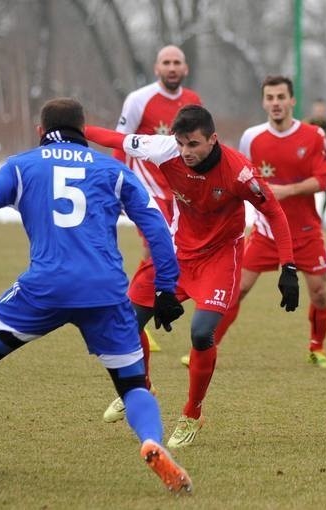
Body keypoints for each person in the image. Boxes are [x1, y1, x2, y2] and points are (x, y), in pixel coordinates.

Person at [0, 98, 192, 493]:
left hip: (44, 287)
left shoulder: (22, 165)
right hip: (105, 291)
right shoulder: (114, 171)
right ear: (84, 131)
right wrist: (166, 287)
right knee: (133, 385)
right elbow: (156, 224)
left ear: (40, 130)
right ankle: (151, 440)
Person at [84, 104, 299, 448]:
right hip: (176, 251)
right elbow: (116, 138)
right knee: (126, 321)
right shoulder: (164, 149)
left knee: (201, 333)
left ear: (212, 139)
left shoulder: (240, 174)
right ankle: (141, 387)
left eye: (194, 144)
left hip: (219, 258)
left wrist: (288, 266)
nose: (186, 152)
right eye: (181, 143)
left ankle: (192, 413)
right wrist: (69, 130)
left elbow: (273, 211)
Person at [211, 75, 326, 368]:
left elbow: (324, 180)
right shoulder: (251, 138)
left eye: (281, 97)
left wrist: (286, 190)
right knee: (237, 288)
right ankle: (208, 346)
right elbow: (239, 177)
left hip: (306, 232)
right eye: (270, 98)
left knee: (318, 292)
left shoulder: (314, 135)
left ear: (292, 100)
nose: (276, 103)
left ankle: (317, 347)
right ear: (264, 102)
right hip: (266, 232)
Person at [115, 45, 203, 353]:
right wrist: (118, 186)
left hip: (180, 193)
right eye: (166, 62)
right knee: (154, 246)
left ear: (185, 68)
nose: (172, 67)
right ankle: (136, 311)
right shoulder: (139, 100)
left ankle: (141, 307)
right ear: (157, 68)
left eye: (177, 62)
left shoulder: (192, 101)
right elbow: (121, 144)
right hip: (146, 191)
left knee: (171, 249)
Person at [305, 98, 326, 220]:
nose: (320, 112)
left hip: (324, 164)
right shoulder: (307, 124)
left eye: (322, 110)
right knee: (307, 192)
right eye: (318, 110)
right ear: (314, 110)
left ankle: (321, 218)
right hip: (308, 165)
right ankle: (309, 217)